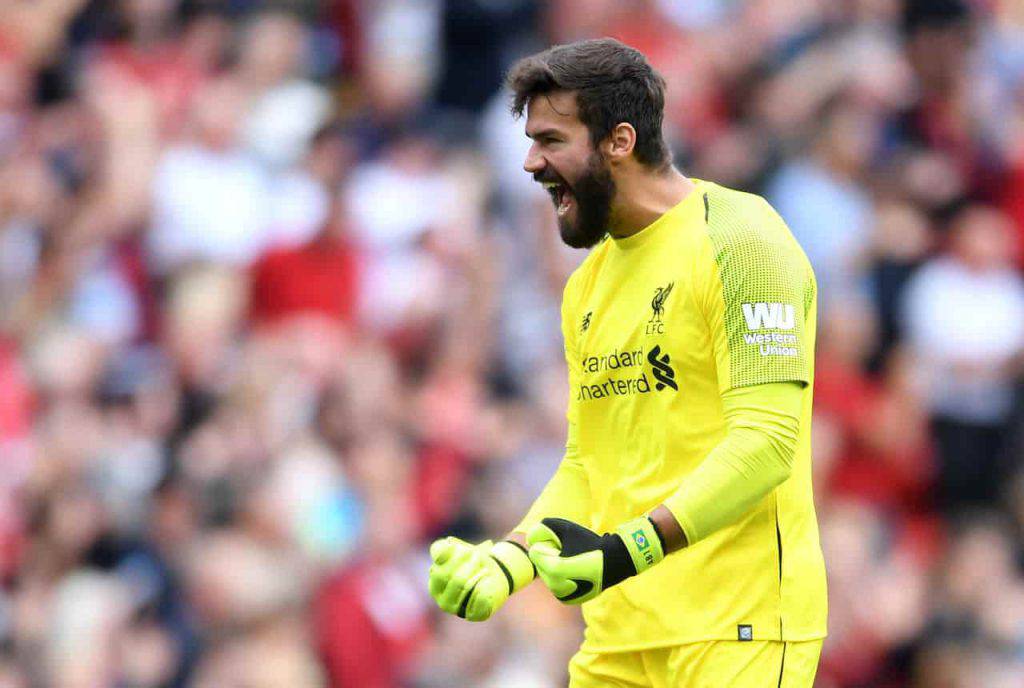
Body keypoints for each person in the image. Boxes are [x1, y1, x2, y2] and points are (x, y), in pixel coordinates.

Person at [428, 38, 827, 687]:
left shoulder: (740, 240)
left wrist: (629, 548)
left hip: (738, 630)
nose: (530, 162)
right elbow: (590, 467)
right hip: (621, 639)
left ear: (618, 140)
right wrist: (511, 560)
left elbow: (766, 443)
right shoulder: (586, 288)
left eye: (551, 139)